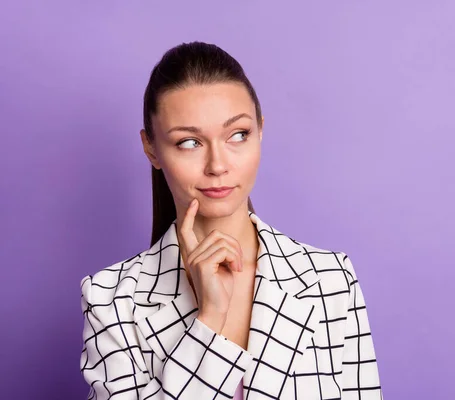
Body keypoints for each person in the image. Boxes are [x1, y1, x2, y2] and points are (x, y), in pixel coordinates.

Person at [79, 41, 383, 400]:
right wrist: (210, 320)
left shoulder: (331, 279)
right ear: (151, 149)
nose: (218, 165)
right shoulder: (112, 299)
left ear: (260, 130)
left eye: (238, 135)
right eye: (189, 142)